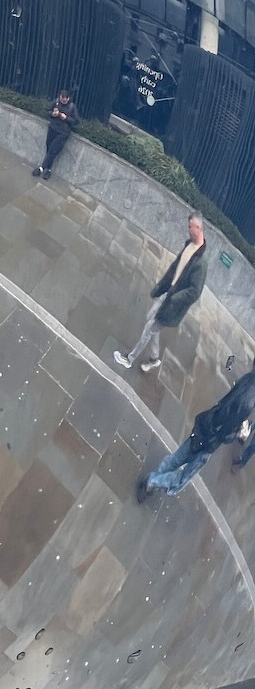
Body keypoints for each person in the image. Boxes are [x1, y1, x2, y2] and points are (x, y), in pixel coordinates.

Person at [137, 362, 255, 500]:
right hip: (211, 439)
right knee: (182, 480)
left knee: (176, 458)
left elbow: (227, 406)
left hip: (205, 423)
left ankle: (154, 477)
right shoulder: (248, 402)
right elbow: (225, 432)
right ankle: (152, 482)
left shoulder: (248, 378)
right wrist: (240, 435)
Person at [114, 213, 207, 374]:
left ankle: (129, 359)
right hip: (167, 294)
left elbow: (194, 292)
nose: (188, 230)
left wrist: (174, 299)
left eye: (190, 227)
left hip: (172, 304)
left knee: (149, 328)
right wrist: (161, 288)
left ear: (198, 228)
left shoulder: (201, 263)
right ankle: (154, 358)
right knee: (150, 320)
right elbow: (175, 269)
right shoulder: (188, 245)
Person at [32, 89, 78, 180]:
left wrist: (66, 118)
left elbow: (75, 121)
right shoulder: (55, 102)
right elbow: (48, 111)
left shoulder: (72, 107)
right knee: (49, 149)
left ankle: (41, 168)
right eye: (61, 99)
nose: (63, 101)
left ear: (68, 98)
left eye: (65, 100)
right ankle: (48, 170)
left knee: (53, 149)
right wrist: (53, 114)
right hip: (53, 128)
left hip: (63, 132)